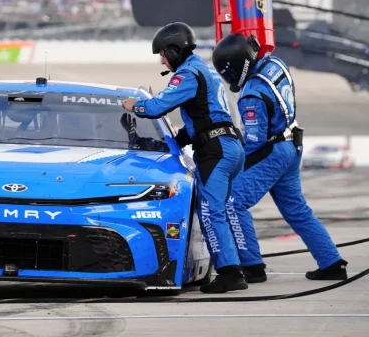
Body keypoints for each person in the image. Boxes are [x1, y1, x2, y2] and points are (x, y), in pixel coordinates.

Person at [122, 22, 248, 293]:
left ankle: (230, 273)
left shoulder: (188, 74)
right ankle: (236, 267)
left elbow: (156, 107)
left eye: (162, 54)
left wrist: (134, 105)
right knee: (220, 211)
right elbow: (200, 122)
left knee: (211, 212)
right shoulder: (204, 71)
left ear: (174, 50)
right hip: (227, 146)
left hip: (217, 150)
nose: (162, 60)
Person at [212, 33, 348, 283]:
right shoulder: (275, 64)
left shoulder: (251, 95)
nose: (228, 78)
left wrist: (230, 158)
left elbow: (254, 141)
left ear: (238, 66)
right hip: (293, 144)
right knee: (297, 209)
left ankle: (252, 266)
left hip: (274, 151)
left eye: (227, 72)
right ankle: (332, 264)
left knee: (233, 202)